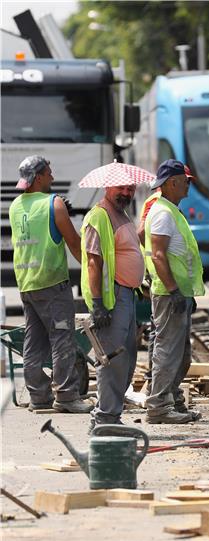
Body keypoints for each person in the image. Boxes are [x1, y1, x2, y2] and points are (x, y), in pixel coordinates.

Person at [9, 156, 93, 413]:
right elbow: (74, 243)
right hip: (53, 284)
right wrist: (92, 273)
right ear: (38, 177)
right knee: (62, 340)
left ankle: (39, 396)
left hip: (26, 285)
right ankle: (67, 397)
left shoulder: (15, 206)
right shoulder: (54, 205)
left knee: (33, 342)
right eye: (49, 173)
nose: (53, 177)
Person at [144, 159, 204, 424]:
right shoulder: (162, 213)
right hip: (168, 294)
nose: (189, 184)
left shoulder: (171, 210)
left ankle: (172, 399)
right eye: (185, 180)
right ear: (172, 182)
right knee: (168, 351)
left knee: (181, 354)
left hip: (178, 293)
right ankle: (158, 405)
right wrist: (174, 290)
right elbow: (158, 256)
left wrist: (185, 293)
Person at [81, 176, 145, 428]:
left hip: (127, 295)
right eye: (121, 188)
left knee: (126, 360)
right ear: (108, 187)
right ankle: (105, 419)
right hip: (111, 299)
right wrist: (98, 303)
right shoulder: (99, 216)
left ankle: (110, 415)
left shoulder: (122, 215)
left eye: (130, 188)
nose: (126, 193)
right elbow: (93, 262)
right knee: (112, 360)